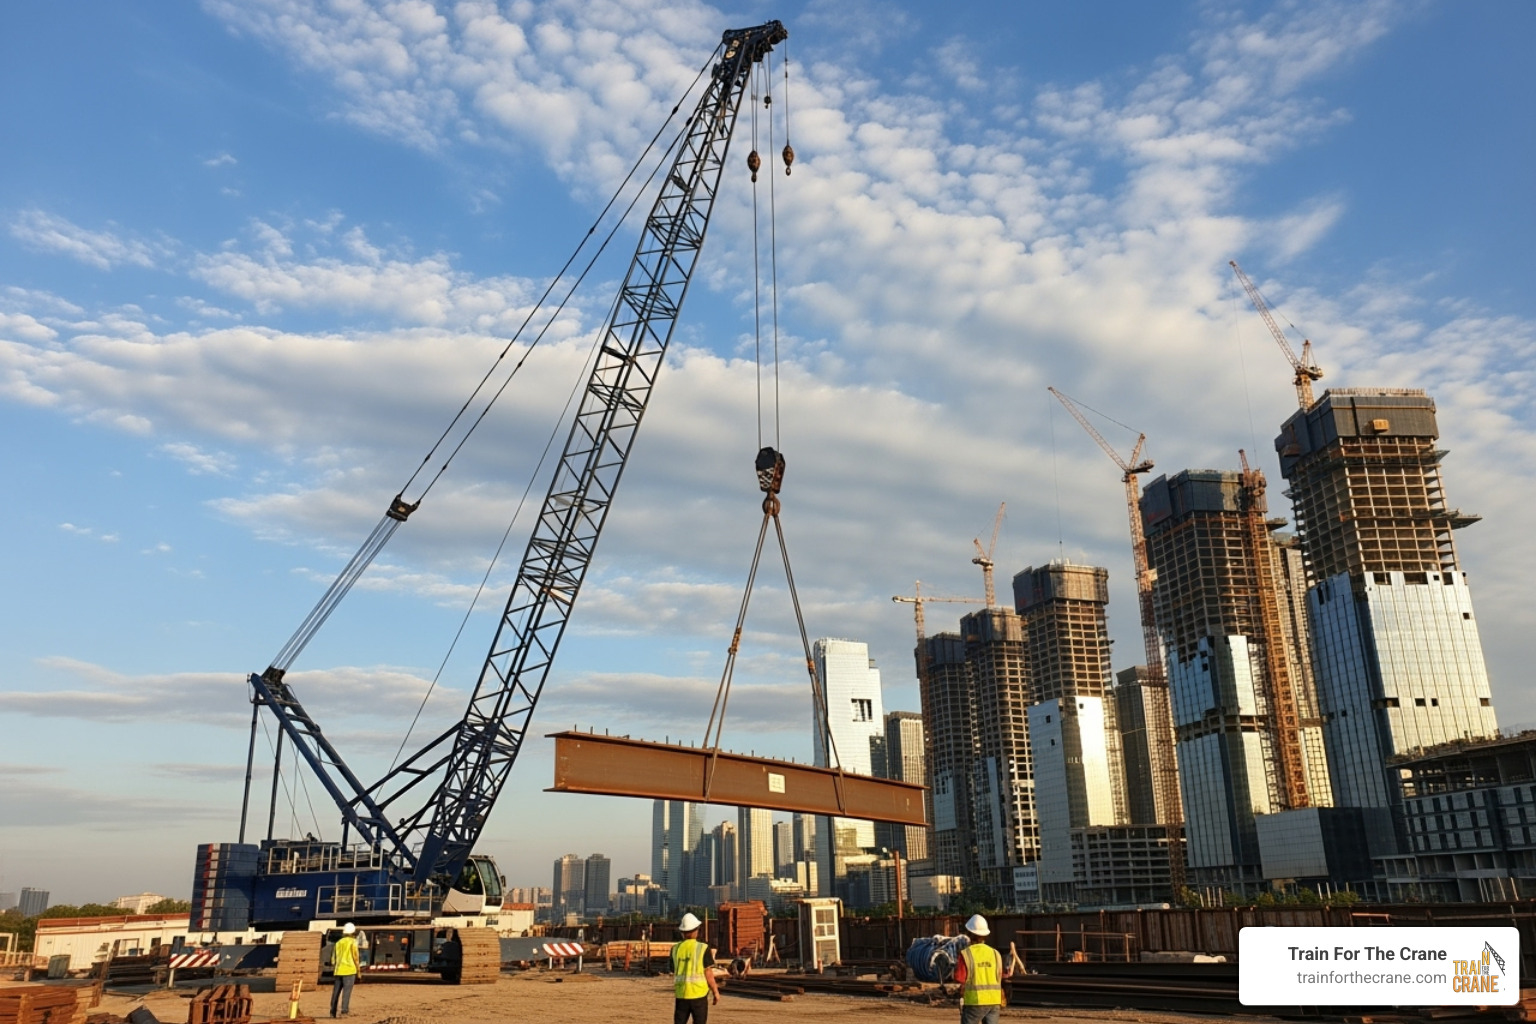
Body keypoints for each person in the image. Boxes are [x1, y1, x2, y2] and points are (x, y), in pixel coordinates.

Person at [951, 914, 1007, 1024]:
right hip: (994, 1001)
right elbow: (1000, 975)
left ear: (970, 934)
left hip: (975, 1001)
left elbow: (959, 978)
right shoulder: (995, 953)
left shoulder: (966, 954)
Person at [670, 912, 719, 1024]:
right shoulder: (703, 948)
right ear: (696, 930)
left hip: (681, 995)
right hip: (699, 995)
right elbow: (708, 972)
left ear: (682, 932)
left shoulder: (675, 949)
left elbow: (673, 969)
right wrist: (715, 991)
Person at [330, 922, 360, 1018]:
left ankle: (332, 1012)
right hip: (350, 970)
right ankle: (344, 1011)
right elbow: (355, 957)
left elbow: (333, 960)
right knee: (346, 992)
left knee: (336, 992)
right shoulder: (353, 942)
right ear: (353, 932)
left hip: (338, 971)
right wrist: (359, 972)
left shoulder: (338, 943)